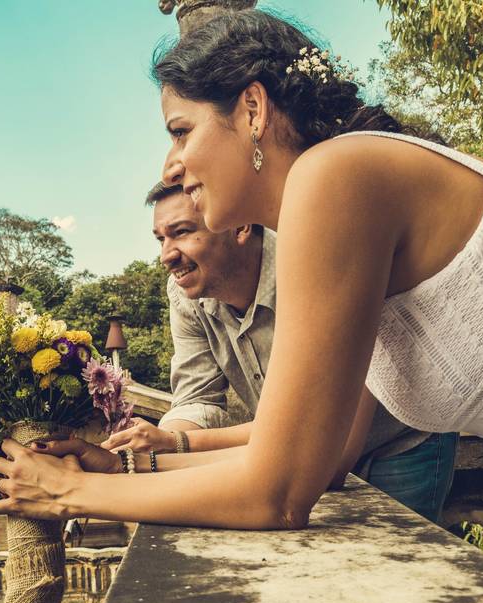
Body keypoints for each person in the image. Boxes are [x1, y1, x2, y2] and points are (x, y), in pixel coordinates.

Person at [0, 10, 483, 603]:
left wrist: (70, 491)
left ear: (253, 109)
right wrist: (133, 463)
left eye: (181, 130)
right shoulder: (335, 199)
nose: (173, 162)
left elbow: (281, 490)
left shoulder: (335, 176)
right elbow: (313, 455)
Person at [100, 181, 458, 521]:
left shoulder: (316, 262)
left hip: (399, 439)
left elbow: (328, 454)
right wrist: (150, 444)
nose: (166, 256)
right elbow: (198, 398)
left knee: (402, 568)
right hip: (306, 447)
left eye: (180, 232)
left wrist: (175, 445)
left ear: (239, 227)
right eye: (160, 238)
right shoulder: (183, 294)